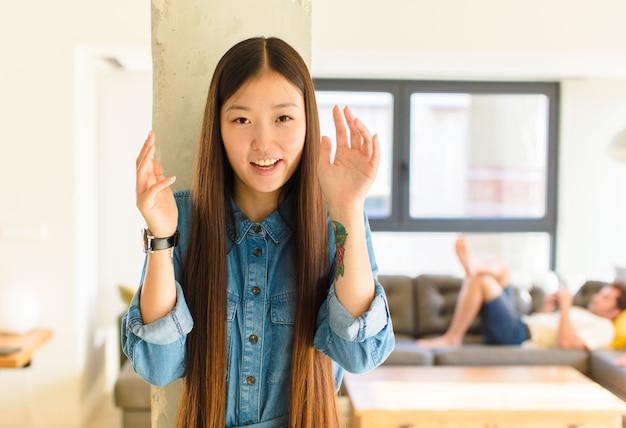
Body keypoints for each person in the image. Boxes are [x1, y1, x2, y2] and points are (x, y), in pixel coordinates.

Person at [122, 37, 394, 428]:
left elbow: (359, 354)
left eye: (283, 118)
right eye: (241, 119)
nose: (263, 143)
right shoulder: (182, 215)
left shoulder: (336, 219)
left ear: (307, 122)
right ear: (217, 127)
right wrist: (161, 235)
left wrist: (348, 208)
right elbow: (158, 367)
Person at [417, 234, 626, 351]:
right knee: (503, 267)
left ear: (616, 311)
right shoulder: (586, 315)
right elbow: (548, 329)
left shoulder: (604, 328)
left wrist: (565, 308)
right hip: (521, 324)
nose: (597, 297)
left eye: (606, 297)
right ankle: (473, 268)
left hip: (516, 336)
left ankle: (453, 337)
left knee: (483, 282)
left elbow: (567, 344)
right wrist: (548, 309)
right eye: (601, 293)